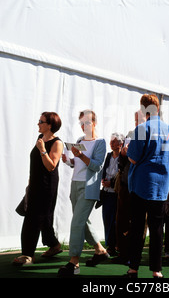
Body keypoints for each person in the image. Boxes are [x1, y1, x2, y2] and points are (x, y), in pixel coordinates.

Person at [125, 94, 169, 278]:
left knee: (137, 229)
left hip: (141, 185)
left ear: (143, 109)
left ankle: (133, 269)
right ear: (157, 108)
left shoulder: (141, 128)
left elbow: (133, 157)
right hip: (161, 186)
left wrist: (128, 152)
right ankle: (157, 270)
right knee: (156, 230)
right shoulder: (168, 129)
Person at [58, 110, 107, 277]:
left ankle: (74, 262)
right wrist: (68, 160)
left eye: (86, 122)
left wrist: (80, 155)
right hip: (75, 185)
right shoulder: (79, 140)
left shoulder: (100, 142)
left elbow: (97, 166)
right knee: (83, 221)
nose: (83, 126)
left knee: (77, 222)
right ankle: (99, 250)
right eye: (81, 123)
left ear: (94, 123)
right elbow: (76, 163)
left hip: (89, 187)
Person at [13, 112, 63, 265]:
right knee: (44, 218)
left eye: (41, 121)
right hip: (34, 184)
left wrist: (42, 150)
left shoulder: (57, 143)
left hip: (47, 186)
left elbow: (51, 166)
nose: (38, 124)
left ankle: (28, 255)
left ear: (50, 125)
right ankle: (54, 245)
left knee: (33, 219)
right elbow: (36, 163)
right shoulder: (40, 139)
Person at [112, 110, 146, 265]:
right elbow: (121, 158)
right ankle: (123, 252)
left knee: (137, 223)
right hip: (126, 184)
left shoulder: (149, 135)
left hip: (140, 186)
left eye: (139, 119)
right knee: (121, 220)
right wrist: (123, 153)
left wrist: (130, 152)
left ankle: (134, 255)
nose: (136, 121)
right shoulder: (130, 134)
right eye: (135, 119)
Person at [100, 132, 124, 256]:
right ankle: (110, 245)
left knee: (116, 220)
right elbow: (104, 169)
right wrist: (103, 180)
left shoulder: (123, 156)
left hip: (117, 193)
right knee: (107, 218)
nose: (111, 143)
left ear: (120, 144)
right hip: (107, 192)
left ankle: (117, 244)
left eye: (114, 141)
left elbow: (123, 173)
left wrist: (112, 182)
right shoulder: (109, 156)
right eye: (111, 141)